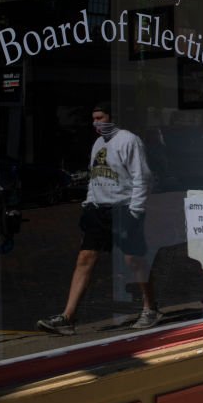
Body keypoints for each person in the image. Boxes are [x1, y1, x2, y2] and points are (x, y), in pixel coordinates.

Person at [38, 101, 162, 335]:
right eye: (94, 119)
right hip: (98, 209)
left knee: (133, 260)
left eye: (101, 118)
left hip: (123, 208)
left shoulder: (129, 140)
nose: (96, 123)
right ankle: (68, 317)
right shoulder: (98, 143)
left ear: (112, 118)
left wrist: (135, 210)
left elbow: (142, 177)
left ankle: (150, 307)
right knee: (85, 257)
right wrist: (88, 202)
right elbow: (95, 176)